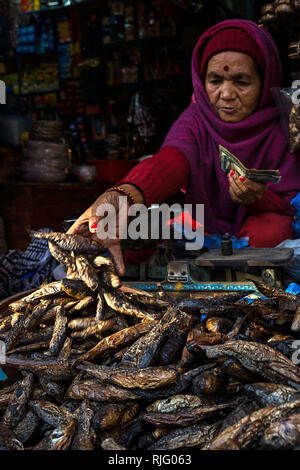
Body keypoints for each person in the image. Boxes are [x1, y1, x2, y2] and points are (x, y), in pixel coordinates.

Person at [68, 19, 300, 276]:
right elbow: (172, 160)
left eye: (241, 82)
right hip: (201, 227)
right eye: (215, 81)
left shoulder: (286, 127)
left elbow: (292, 207)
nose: (226, 94)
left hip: (256, 234)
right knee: (144, 229)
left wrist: (260, 198)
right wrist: (123, 194)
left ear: (266, 79)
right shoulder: (195, 120)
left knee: (271, 231)